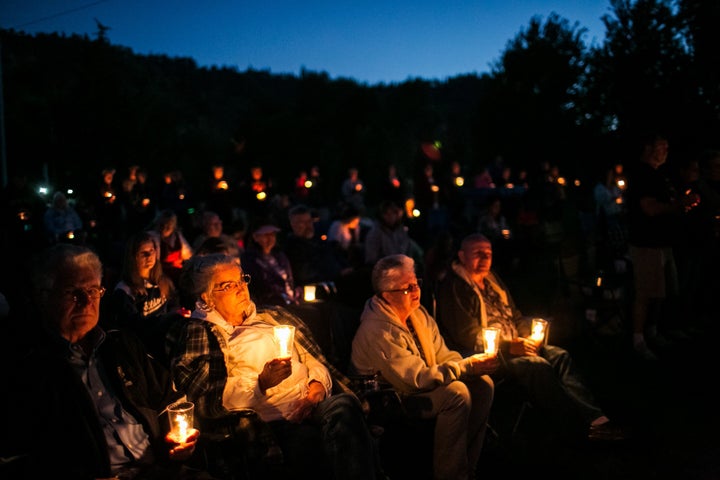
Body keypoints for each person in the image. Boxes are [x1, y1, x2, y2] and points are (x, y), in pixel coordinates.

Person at [0, 244, 209, 479]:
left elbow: (167, 400)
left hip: (156, 468)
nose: (86, 301)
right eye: (72, 292)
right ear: (43, 296)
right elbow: (16, 455)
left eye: (92, 290)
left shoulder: (120, 344)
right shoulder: (27, 368)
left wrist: (174, 441)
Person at [169, 253, 380, 479]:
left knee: (344, 404)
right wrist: (261, 382)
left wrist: (317, 386)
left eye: (242, 280)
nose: (241, 289)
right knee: (311, 443)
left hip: (311, 402)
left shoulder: (271, 316)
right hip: (273, 419)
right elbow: (207, 400)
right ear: (207, 297)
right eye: (229, 285)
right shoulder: (202, 333)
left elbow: (313, 359)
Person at [434, 233, 625, 443]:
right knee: (537, 365)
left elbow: (514, 315)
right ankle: (577, 427)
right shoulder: (455, 287)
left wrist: (529, 335)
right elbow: (466, 335)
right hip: (489, 356)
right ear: (462, 256)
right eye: (477, 253)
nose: (484, 259)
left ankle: (596, 419)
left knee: (559, 355)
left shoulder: (492, 280)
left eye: (488, 254)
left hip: (515, 344)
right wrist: (509, 346)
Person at [351, 254, 497, 480]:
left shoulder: (417, 314)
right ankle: (450, 474)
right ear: (388, 295)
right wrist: (465, 368)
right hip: (391, 398)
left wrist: (469, 366)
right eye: (407, 288)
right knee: (456, 394)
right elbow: (414, 380)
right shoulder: (377, 330)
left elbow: (442, 354)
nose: (416, 290)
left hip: (421, 384)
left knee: (483, 384)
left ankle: (467, 465)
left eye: (416, 282)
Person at [625, 133, 699, 360]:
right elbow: (649, 208)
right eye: (661, 145)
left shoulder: (659, 175)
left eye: (667, 145)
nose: (666, 149)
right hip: (647, 243)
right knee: (646, 291)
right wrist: (678, 205)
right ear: (648, 148)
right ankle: (638, 340)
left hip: (662, 242)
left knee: (661, 291)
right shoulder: (642, 174)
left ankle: (653, 331)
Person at [102, 231, 181, 363]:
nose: (149, 256)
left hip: (166, 342)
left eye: (151, 250)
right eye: (143, 253)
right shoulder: (125, 290)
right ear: (133, 257)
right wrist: (164, 321)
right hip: (144, 352)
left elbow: (174, 302)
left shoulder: (162, 281)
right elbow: (133, 325)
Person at [241, 222, 301, 306]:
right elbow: (258, 285)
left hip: (290, 300)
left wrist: (295, 290)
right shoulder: (249, 258)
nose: (270, 238)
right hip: (271, 303)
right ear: (255, 237)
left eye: (272, 234)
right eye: (265, 235)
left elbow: (289, 279)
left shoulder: (280, 256)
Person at [364, 200, 424, 268]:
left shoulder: (401, 231)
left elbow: (408, 251)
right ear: (382, 215)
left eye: (393, 213)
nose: (391, 217)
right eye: (387, 214)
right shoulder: (375, 233)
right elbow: (371, 259)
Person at [149, 209, 194, 286]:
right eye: (162, 225)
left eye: (168, 225)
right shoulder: (152, 238)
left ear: (173, 226)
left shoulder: (178, 237)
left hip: (178, 275)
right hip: (160, 276)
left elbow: (189, 255)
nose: (164, 228)